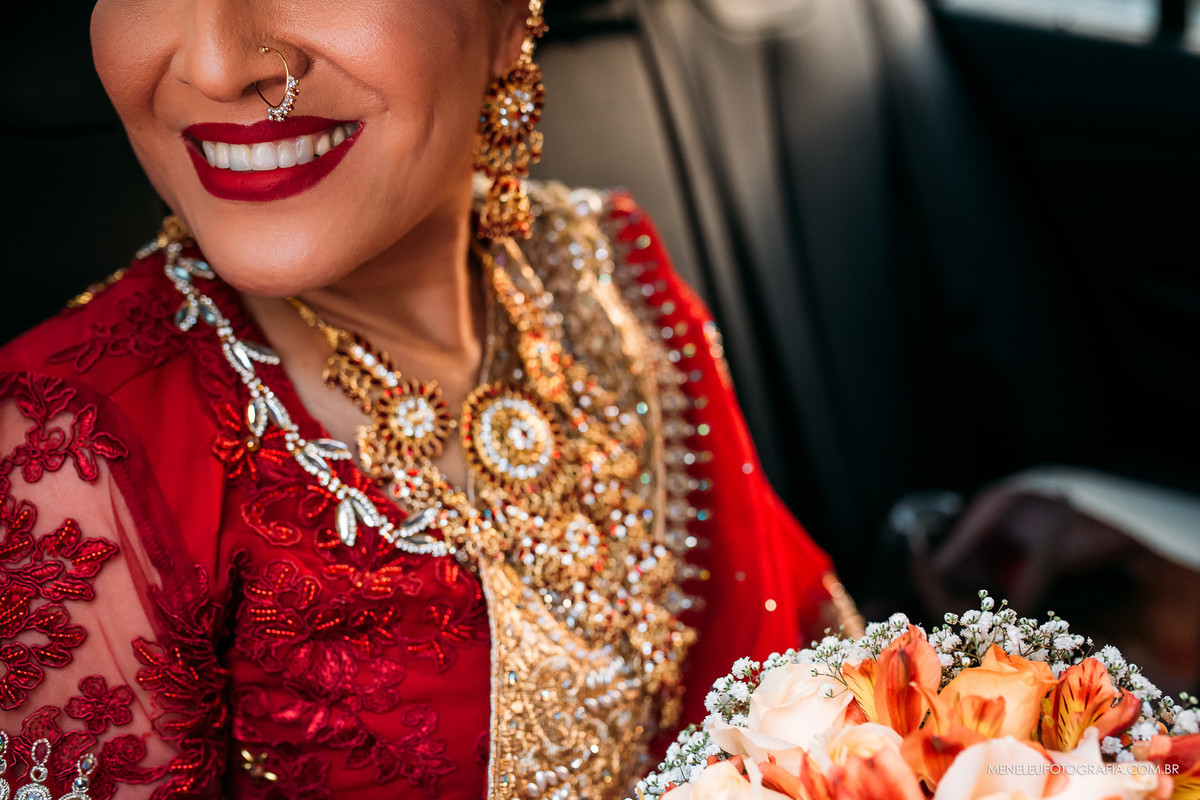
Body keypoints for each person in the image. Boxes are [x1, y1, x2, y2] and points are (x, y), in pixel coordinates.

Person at [0, 1, 858, 797]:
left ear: (509, 20)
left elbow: (807, 677)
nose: (218, 66)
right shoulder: (70, 448)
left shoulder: (612, 278)